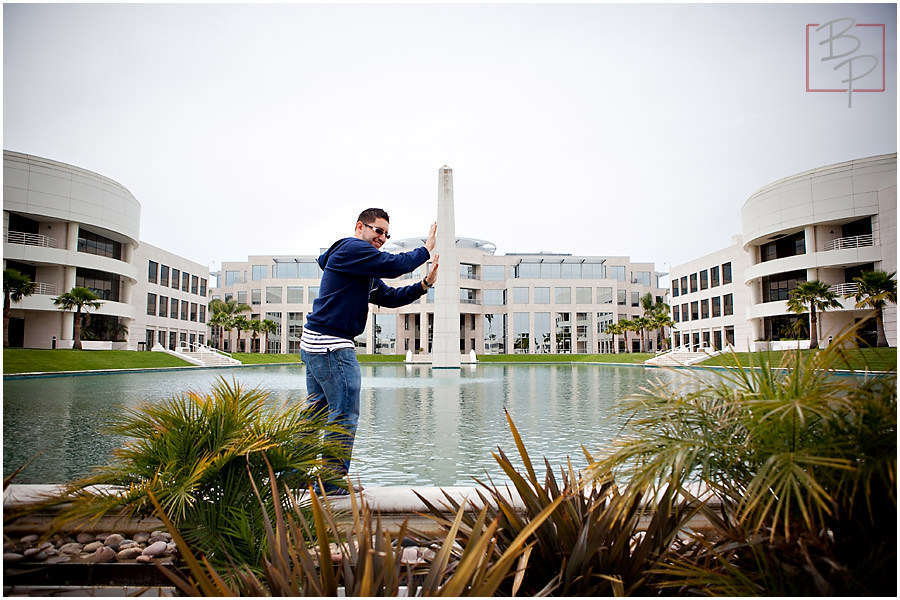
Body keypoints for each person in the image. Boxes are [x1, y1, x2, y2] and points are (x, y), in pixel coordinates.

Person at [300, 208, 439, 495]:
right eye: (378, 231)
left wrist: (424, 285)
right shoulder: (352, 249)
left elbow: (387, 297)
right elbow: (393, 264)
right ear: (360, 226)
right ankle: (331, 484)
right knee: (345, 414)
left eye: (387, 234)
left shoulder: (360, 265)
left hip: (317, 343)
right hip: (331, 346)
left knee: (315, 413)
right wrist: (425, 249)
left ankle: (290, 473)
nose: (383, 238)